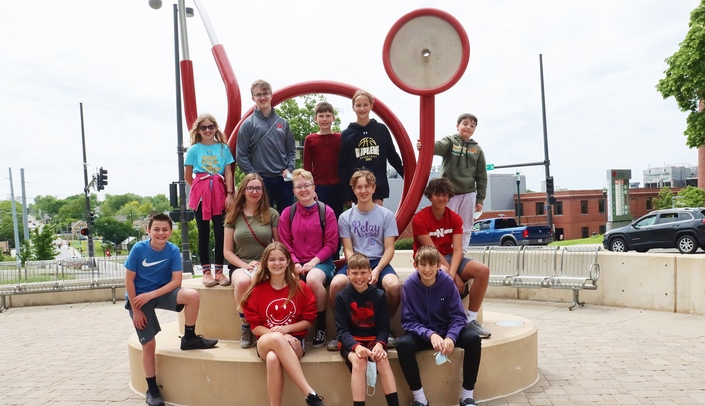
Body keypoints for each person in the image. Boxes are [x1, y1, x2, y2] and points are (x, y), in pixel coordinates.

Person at [124, 213, 218, 406]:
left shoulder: (173, 250)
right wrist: (137, 309)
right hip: (139, 299)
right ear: (148, 230)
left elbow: (176, 282)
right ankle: (152, 389)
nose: (161, 233)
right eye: (156, 229)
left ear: (171, 231)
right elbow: (129, 281)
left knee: (191, 295)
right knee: (148, 345)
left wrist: (152, 295)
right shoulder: (138, 249)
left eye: (165, 229)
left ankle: (189, 338)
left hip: (158, 293)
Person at [240, 242, 325, 406]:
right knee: (276, 340)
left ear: (288, 262)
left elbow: (308, 320)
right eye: (272, 260)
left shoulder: (300, 288)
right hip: (266, 340)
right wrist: (280, 334)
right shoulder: (257, 290)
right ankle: (310, 394)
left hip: (295, 342)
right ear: (265, 263)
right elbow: (255, 326)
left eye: (281, 259)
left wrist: (287, 329)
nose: (277, 263)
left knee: (273, 358)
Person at [396, 246, 482, 406]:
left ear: (438, 266)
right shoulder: (409, 285)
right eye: (423, 265)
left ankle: (467, 396)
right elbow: (408, 321)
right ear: (415, 266)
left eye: (431, 265)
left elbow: (458, 316)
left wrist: (451, 337)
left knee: (473, 339)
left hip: (447, 330)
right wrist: (430, 334)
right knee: (403, 345)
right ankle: (420, 399)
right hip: (423, 334)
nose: (427, 269)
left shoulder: (447, 282)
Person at [327, 169, 400, 351]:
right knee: (336, 284)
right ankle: (341, 330)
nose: (363, 191)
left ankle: (385, 327)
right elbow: (348, 248)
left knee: (393, 285)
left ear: (374, 188)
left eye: (367, 186)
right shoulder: (345, 217)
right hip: (355, 262)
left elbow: (390, 249)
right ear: (353, 189)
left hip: (378, 262)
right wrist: (356, 271)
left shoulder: (386, 215)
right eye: (359, 187)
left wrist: (374, 270)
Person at [412, 178, 491, 338]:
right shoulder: (420, 218)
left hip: (450, 256)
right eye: (437, 194)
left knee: (483, 270)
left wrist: (454, 273)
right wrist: (453, 275)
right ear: (430, 196)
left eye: (445, 195)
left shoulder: (455, 218)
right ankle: (445, 322)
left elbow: (458, 250)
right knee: (445, 273)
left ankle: (470, 320)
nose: (441, 198)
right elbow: (431, 250)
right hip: (428, 258)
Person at [278, 169, 339, 348]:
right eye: (299, 187)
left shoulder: (326, 212)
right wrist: (295, 262)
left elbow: (332, 244)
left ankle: (320, 324)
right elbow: (284, 243)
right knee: (290, 281)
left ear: (314, 187)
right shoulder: (287, 213)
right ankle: (296, 330)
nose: (303, 190)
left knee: (312, 279)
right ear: (293, 191)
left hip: (321, 263)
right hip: (294, 262)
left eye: (307, 185)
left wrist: (313, 262)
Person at [334, 253, 399, 406]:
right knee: (359, 361)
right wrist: (355, 347)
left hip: (373, 341)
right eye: (355, 273)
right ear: (348, 274)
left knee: (382, 359)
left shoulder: (380, 295)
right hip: (351, 342)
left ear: (370, 272)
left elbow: (384, 328)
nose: (359, 277)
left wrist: (379, 344)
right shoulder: (341, 297)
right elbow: (341, 332)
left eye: (363, 272)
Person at [224, 173, 280, 348]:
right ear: (244, 190)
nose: (254, 192)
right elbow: (227, 251)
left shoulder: (271, 214)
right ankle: (246, 324)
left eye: (258, 188)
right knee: (243, 282)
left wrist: (266, 263)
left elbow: (278, 245)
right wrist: (244, 265)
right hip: (240, 263)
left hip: (267, 263)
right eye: (251, 188)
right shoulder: (233, 215)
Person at [417, 113, 487, 247]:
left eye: (472, 126)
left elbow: (482, 176)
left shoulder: (477, 150)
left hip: (469, 193)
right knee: (446, 223)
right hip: (449, 194)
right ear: (457, 126)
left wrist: (480, 199)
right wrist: (425, 145)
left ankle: (462, 252)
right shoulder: (451, 141)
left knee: (466, 225)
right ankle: (445, 249)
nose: (468, 127)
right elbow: (438, 146)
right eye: (465, 124)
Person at [185, 113, 235, 287]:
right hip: (201, 193)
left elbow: (228, 172)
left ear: (215, 128)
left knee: (221, 232)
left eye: (210, 127)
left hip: (220, 191)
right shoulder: (194, 149)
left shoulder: (223, 148)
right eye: (203, 127)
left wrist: (230, 193)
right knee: (203, 232)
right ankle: (206, 272)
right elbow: (188, 175)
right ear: (198, 130)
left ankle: (220, 271)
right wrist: (200, 188)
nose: (207, 130)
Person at [236, 79, 296, 213]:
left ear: (271, 95)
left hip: (283, 179)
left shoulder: (283, 123)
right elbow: (241, 155)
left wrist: (290, 168)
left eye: (265, 93)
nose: (262, 97)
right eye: (258, 95)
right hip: (261, 181)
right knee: (263, 220)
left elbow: (291, 150)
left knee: (286, 218)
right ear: (253, 98)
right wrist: (254, 176)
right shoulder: (248, 124)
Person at [338, 90, 404, 206]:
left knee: (377, 216)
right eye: (358, 105)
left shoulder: (381, 130)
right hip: (358, 186)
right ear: (353, 107)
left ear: (371, 106)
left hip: (378, 184)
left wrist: (405, 173)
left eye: (365, 105)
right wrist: (345, 193)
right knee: (361, 219)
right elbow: (343, 165)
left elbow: (392, 155)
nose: (362, 108)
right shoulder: (347, 134)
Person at [303, 101, 344, 221]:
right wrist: (311, 188)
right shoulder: (310, 139)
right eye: (321, 116)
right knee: (319, 219)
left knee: (336, 218)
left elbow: (344, 163)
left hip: (337, 186)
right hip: (319, 186)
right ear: (315, 118)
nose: (324, 119)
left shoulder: (340, 138)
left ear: (333, 118)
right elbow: (307, 166)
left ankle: (336, 241)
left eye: (327, 116)